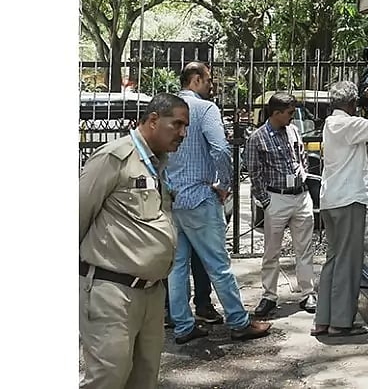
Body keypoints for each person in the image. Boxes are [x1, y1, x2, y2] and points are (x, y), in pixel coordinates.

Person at [80, 93, 188, 389]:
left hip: (151, 293)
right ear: (153, 120)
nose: (183, 133)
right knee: (108, 378)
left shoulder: (157, 163)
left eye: (185, 126)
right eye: (177, 124)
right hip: (111, 290)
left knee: (144, 378)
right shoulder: (114, 157)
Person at [167, 62, 271, 343]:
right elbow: (221, 148)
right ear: (196, 79)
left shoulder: (169, 109)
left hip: (172, 199)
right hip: (200, 197)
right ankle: (238, 321)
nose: (212, 85)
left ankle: (183, 326)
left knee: (177, 267)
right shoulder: (204, 109)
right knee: (219, 264)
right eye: (209, 79)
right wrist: (225, 185)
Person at [313, 82, 368, 337]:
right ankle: (340, 322)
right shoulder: (349, 123)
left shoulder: (332, 124)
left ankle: (323, 320)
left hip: (331, 200)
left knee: (333, 259)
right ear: (351, 104)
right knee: (349, 262)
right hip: (348, 200)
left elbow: (357, 143)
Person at [246, 92, 317, 317]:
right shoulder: (257, 138)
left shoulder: (293, 131)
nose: (292, 117)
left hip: (300, 195)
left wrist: (302, 176)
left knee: (304, 246)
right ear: (276, 113)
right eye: (289, 113)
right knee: (272, 250)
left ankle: (307, 292)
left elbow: (302, 156)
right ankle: (269, 295)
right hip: (276, 197)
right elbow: (254, 172)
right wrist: (266, 201)